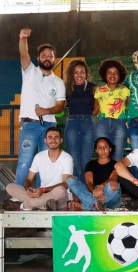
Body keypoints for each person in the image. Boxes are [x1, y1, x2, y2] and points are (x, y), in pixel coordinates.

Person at [15, 28, 66, 185]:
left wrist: (46, 111)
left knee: (46, 162)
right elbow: (24, 54)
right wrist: (23, 37)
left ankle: (43, 198)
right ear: (38, 58)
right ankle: (18, 197)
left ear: (54, 58)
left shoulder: (58, 82)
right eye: (43, 55)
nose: (47, 58)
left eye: (50, 56)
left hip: (49, 126)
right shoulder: (29, 71)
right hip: (29, 125)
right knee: (25, 160)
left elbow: (61, 107)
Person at [3, 127, 72, 211]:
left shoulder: (67, 158)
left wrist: (43, 190)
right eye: (50, 137)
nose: (53, 140)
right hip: (41, 195)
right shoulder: (39, 156)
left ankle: (23, 205)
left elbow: (65, 185)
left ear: (61, 140)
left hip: (58, 196)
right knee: (9, 187)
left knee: (60, 190)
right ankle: (42, 205)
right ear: (45, 140)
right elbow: (28, 179)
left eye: (56, 137)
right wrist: (29, 189)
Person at [63, 60, 97, 182]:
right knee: (74, 160)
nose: (79, 75)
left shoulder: (92, 87)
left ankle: (84, 190)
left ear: (86, 73)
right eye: (76, 72)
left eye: (82, 72)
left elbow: (96, 109)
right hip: (72, 123)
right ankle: (75, 191)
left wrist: (87, 117)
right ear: (71, 74)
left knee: (86, 160)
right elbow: (61, 105)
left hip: (88, 122)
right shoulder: (66, 89)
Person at [66, 137, 121, 211]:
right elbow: (89, 183)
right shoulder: (90, 164)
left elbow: (113, 178)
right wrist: (94, 192)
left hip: (109, 196)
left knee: (113, 185)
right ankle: (95, 204)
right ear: (96, 150)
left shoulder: (116, 164)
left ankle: (88, 206)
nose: (103, 149)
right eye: (99, 147)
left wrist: (101, 187)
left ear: (110, 149)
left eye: (105, 146)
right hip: (93, 192)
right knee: (70, 180)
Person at [94, 59, 130, 162]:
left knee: (117, 156)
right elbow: (95, 110)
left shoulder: (126, 91)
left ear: (120, 76)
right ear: (105, 75)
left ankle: (115, 178)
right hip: (102, 124)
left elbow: (131, 107)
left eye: (115, 73)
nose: (112, 75)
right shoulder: (99, 91)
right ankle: (103, 178)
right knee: (103, 156)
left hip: (120, 125)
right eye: (109, 72)